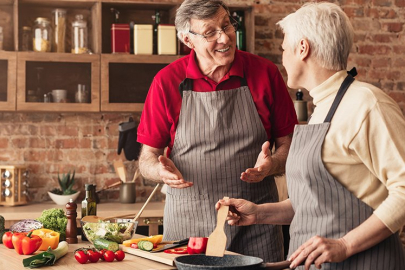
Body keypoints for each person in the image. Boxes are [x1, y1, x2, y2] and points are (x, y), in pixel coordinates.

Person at [216, 2, 405, 269]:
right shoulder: (322, 108)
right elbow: (314, 204)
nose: (282, 58)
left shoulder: (367, 104)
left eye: (284, 50)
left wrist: (345, 245)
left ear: (302, 48)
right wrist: (258, 213)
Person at [136, 0, 297, 262]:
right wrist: (159, 171)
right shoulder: (166, 82)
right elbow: (146, 159)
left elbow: (290, 145)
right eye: (210, 33)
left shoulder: (265, 73)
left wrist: (272, 165)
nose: (225, 38)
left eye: (226, 26)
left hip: (256, 226)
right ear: (188, 41)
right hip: (188, 231)